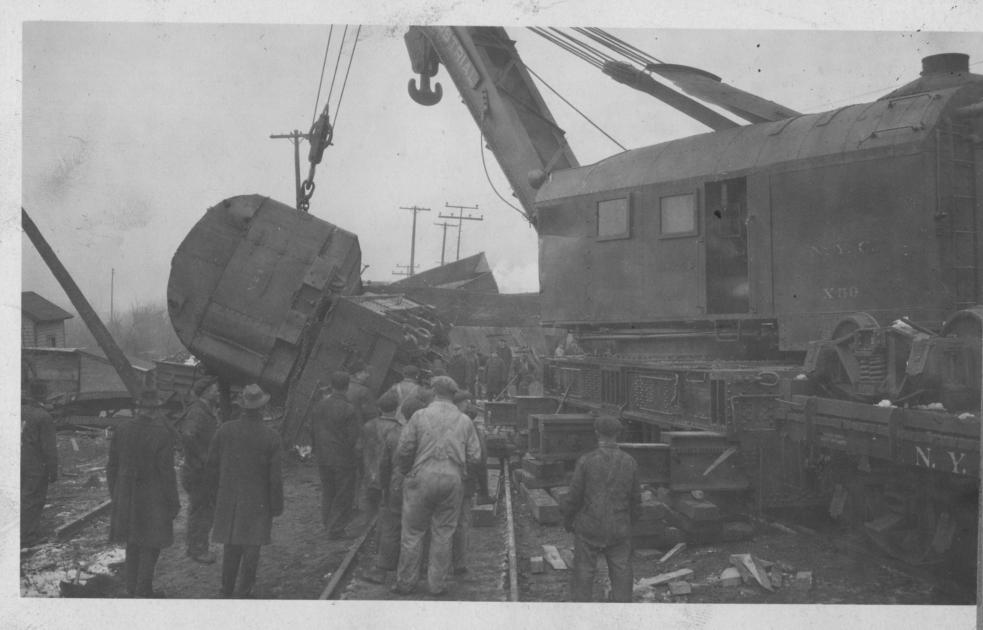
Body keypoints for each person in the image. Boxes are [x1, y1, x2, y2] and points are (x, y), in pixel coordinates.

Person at [392, 376, 482, 597]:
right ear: (453, 394)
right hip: (452, 479)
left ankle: (406, 583)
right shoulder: (464, 421)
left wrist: (406, 471)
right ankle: (437, 585)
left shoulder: (419, 416)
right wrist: (462, 473)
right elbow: (475, 456)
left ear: (434, 391)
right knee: (443, 533)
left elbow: (404, 450)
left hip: (421, 476)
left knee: (413, 533)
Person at [207, 384, 284, 598]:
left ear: (243, 407)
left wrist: (214, 496)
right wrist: (276, 505)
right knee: (252, 548)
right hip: (258, 502)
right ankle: (244, 592)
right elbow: (275, 478)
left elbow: (211, 466)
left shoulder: (225, 430)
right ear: (262, 409)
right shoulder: (271, 436)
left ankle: (226, 589)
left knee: (231, 545)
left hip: (229, 499)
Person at [107, 389, 180, 598]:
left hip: (127, 496)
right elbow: (166, 472)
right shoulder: (161, 433)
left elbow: (111, 467)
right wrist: (173, 503)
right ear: (156, 409)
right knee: (151, 542)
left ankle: (131, 588)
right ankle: (144, 590)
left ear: (138, 408)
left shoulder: (121, 429)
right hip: (153, 497)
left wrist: (117, 494)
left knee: (133, 541)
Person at [563, 416, 641, 603]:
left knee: (583, 573)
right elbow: (636, 500)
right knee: (622, 573)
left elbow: (574, 497)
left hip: (589, 526)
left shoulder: (586, 461)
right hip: (619, 527)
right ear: (617, 434)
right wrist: (630, 525)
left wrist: (568, 520)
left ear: (597, 433)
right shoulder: (630, 462)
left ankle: (582, 614)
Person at [362, 396, 427, 584]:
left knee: (391, 526)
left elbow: (384, 465)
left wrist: (384, 487)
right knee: (419, 527)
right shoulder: (427, 434)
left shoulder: (395, 433)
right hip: (419, 485)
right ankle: (419, 568)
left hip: (397, 486)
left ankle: (381, 570)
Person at [310, 371, 360, 539]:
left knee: (328, 491)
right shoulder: (349, 409)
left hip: (323, 457)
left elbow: (312, 431)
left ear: (332, 386)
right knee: (343, 493)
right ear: (347, 387)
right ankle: (336, 529)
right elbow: (352, 438)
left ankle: (327, 524)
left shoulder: (319, 405)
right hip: (343, 458)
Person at [178, 378, 220, 564]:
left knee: (202, 510)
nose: (217, 392)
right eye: (214, 389)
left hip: (202, 471)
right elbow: (188, 435)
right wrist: (203, 457)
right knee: (201, 511)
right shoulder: (197, 411)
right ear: (205, 392)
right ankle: (198, 550)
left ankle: (195, 547)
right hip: (197, 472)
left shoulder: (206, 410)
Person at [451, 390, 488, 576]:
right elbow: (479, 460)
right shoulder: (471, 427)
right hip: (464, 482)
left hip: (445, 478)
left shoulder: (441, 422)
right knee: (462, 523)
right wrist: (484, 490)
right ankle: (459, 563)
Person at [21, 381, 58, 547]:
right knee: (33, 499)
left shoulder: (17, 411)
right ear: (44, 394)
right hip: (35, 466)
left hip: (16, 462)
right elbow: (48, 448)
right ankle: (27, 536)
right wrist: (53, 470)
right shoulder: (43, 416)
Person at [361, 391, 400, 519]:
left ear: (379, 408)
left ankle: (367, 528)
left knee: (370, 505)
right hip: (388, 477)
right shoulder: (398, 429)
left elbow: (359, 448)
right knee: (386, 509)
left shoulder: (368, 426)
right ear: (397, 408)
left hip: (369, 472)